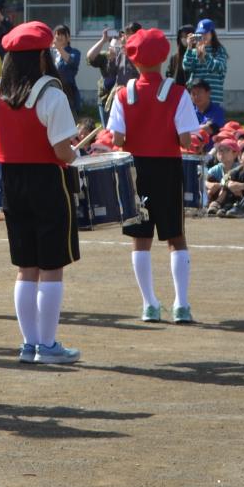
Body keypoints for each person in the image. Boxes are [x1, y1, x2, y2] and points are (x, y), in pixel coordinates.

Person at [0, 20, 81, 365]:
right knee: (52, 265)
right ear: (40, 57)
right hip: (48, 181)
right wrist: (76, 152)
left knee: (25, 265)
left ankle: (29, 343)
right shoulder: (51, 93)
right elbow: (63, 152)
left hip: (11, 182)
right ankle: (47, 345)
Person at [105, 29, 199, 324]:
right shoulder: (177, 92)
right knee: (176, 237)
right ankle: (181, 305)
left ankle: (149, 304)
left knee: (139, 239)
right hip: (168, 168)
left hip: (135, 170)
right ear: (164, 57)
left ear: (133, 60)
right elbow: (186, 141)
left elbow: (117, 139)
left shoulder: (123, 94)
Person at [182, 19, 228, 106]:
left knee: (213, 120)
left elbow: (218, 67)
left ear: (212, 34)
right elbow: (186, 66)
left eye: (205, 33)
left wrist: (205, 56)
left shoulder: (219, 50)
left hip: (213, 99)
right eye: (200, 34)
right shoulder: (194, 51)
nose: (202, 36)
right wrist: (189, 47)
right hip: (196, 100)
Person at [51, 25, 82, 115]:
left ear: (68, 38)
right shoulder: (50, 52)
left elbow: (72, 61)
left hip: (68, 93)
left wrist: (59, 48)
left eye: (62, 34)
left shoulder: (74, 52)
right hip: (52, 92)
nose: (58, 36)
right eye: (57, 34)